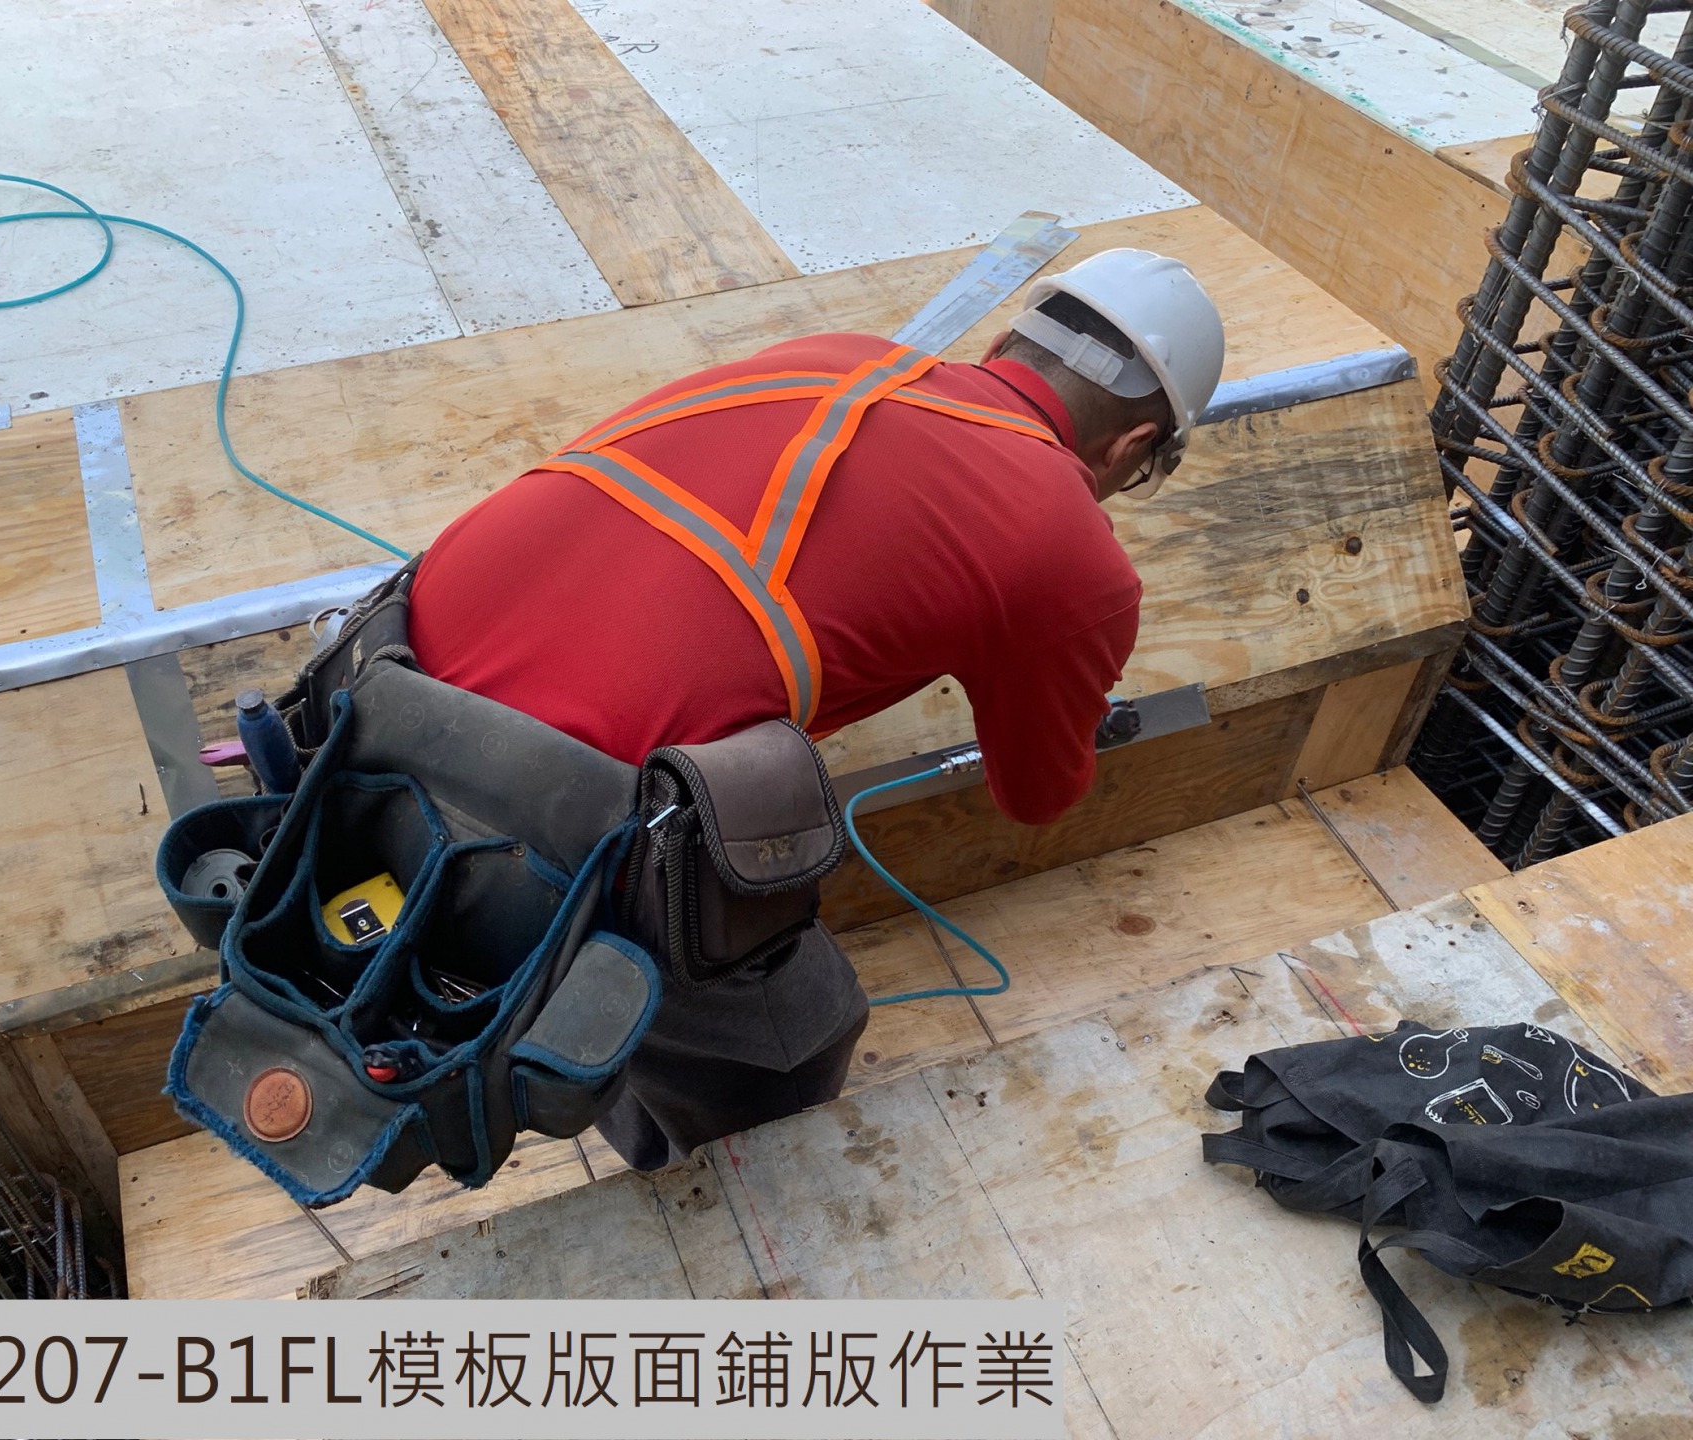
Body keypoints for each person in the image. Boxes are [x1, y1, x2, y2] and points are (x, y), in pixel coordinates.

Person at [405, 248, 1226, 1171]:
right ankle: (673, 1166)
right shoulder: (1073, 551)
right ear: (1132, 446)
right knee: (794, 1040)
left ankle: (569, 1000)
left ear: (1004, 344)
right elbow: (1037, 794)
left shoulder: (840, 354)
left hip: (386, 670)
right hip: (528, 804)